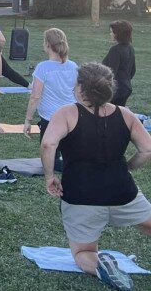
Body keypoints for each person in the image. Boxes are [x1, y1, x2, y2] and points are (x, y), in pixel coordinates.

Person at [41, 63, 151, 291]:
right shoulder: (126, 114)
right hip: (123, 194)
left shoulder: (67, 113)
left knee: (84, 252)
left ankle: (99, 264)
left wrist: (50, 176)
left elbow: (48, 143)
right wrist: (128, 166)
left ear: (80, 88)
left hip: (81, 197)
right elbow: (147, 149)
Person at [23, 28, 78, 140]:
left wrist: (28, 120)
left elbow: (35, 97)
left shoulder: (42, 68)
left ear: (47, 44)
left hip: (50, 118)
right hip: (71, 116)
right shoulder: (74, 66)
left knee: (50, 154)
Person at [102, 20, 135, 107]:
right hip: (126, 88)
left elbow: (111, 73)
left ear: (118, 34)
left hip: (115, 91)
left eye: (112, 32)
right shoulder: (130, 48)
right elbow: (133, 70)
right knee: (119, 113)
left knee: (109, 114)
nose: (110, 34)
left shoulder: (115, 50)